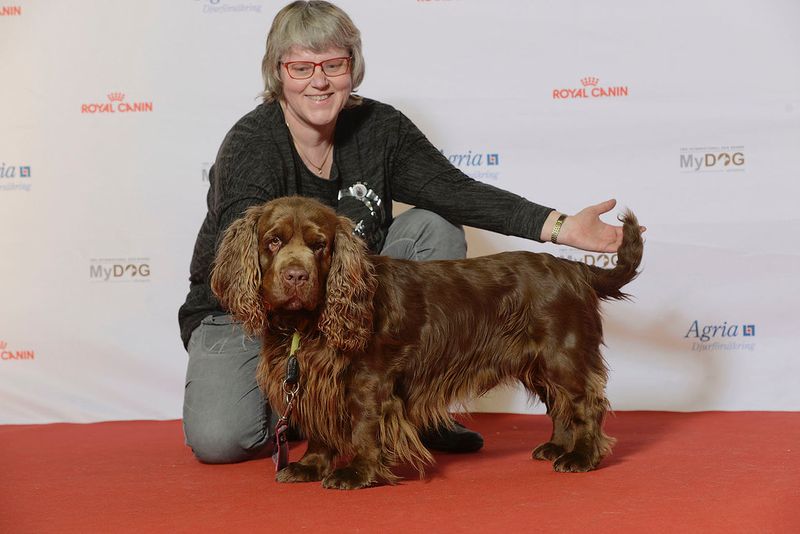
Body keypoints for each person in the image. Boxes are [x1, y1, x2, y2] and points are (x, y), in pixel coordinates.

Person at [178, 0, 634, 464]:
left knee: (433, 223)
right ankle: (312, 408)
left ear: (352, 69)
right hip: (247, 314)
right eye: (301, 67)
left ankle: (416, 404)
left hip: (345, 300)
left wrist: (562, 227)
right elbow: (234, 256)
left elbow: (457, 191)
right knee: (221, 438)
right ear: (278, 73)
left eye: (333, 64)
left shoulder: (380, 128)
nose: (319, 80)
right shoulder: (251, 145)